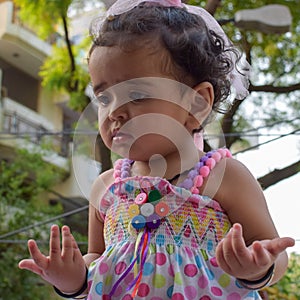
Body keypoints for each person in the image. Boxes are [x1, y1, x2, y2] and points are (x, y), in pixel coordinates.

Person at [19, 0, 295, 299]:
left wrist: (258, 266)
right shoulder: (106, 187)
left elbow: (273, 252)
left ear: (197, 102)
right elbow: (97, 259)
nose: (113, 111)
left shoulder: (224, 175)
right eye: (103, 98)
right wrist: (72, 279)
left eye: (136, 94)